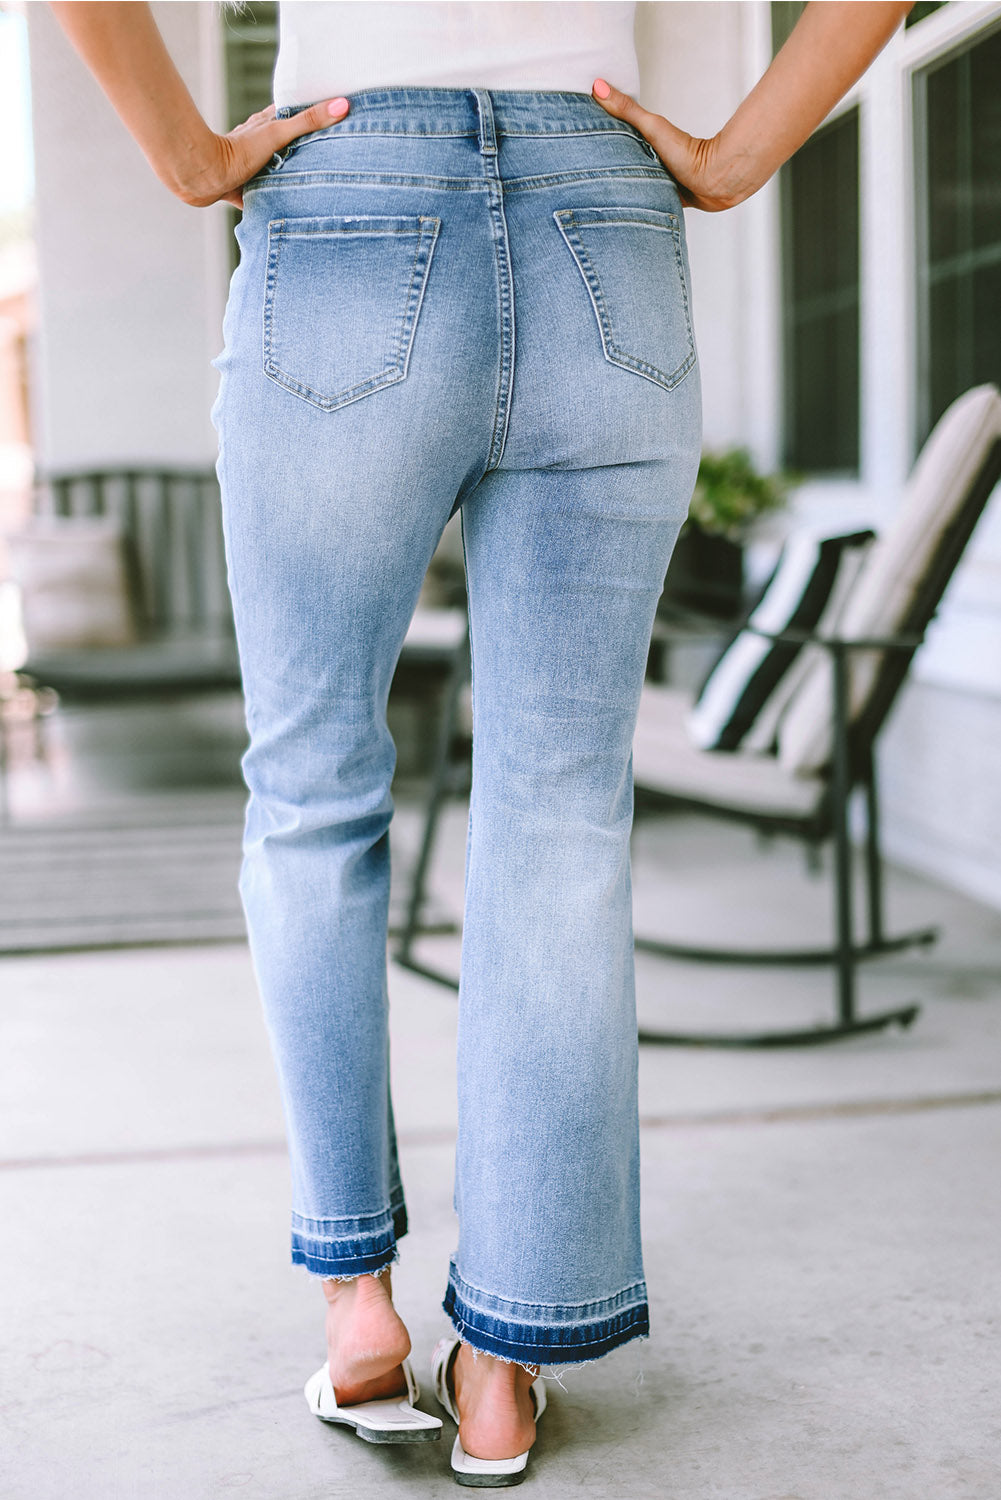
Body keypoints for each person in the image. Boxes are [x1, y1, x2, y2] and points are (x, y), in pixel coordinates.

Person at [51, 0, 913, 1486]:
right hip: (605, 222)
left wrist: (191, 155)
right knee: (561, 809)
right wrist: (734, 157)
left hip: (348, 209)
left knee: (313, 790)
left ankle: (357, 1315)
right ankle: (505, 1364)